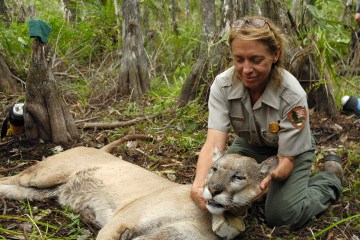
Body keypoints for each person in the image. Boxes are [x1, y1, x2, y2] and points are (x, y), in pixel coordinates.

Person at [191, 16, 343, 230]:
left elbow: (285, 161)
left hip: (290, 152)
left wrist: (266, 180)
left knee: (282, 215)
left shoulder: (292, 96)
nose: (246, 69)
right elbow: (213, 144)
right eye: (239, 59)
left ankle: (329, 179)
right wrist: (199, 186)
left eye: (256, 60)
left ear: (275, 54)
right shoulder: (222, 85)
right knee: (217, 188)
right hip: (250, 145)